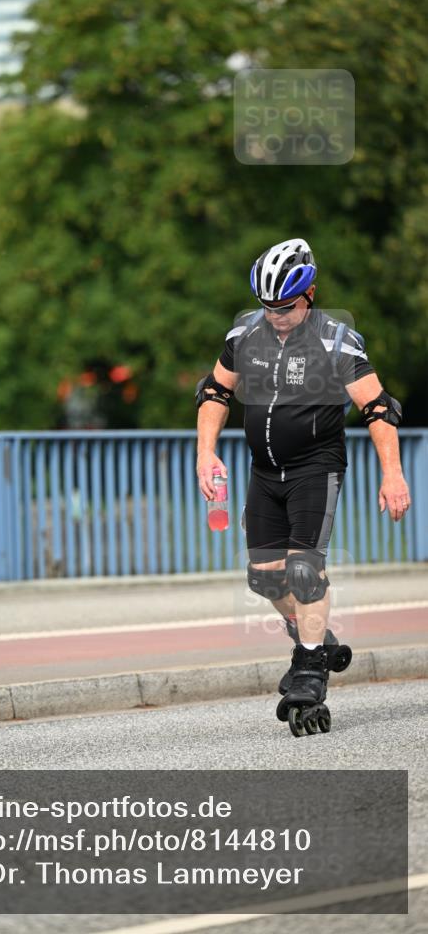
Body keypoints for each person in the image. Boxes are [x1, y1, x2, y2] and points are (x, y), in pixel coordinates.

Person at [194, 238, 411, 731]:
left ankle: (309, 667)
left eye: (286, 306)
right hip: (263, 473)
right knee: (264, 578)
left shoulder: (336, 341)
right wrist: (205, 452)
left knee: (304, 574)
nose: (276, 316)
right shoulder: (245, 334)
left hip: (316, 468)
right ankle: (320, 639)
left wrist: (392, 473)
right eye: (268, 306)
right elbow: (215, 390)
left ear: (309, 294)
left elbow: (378, 408)